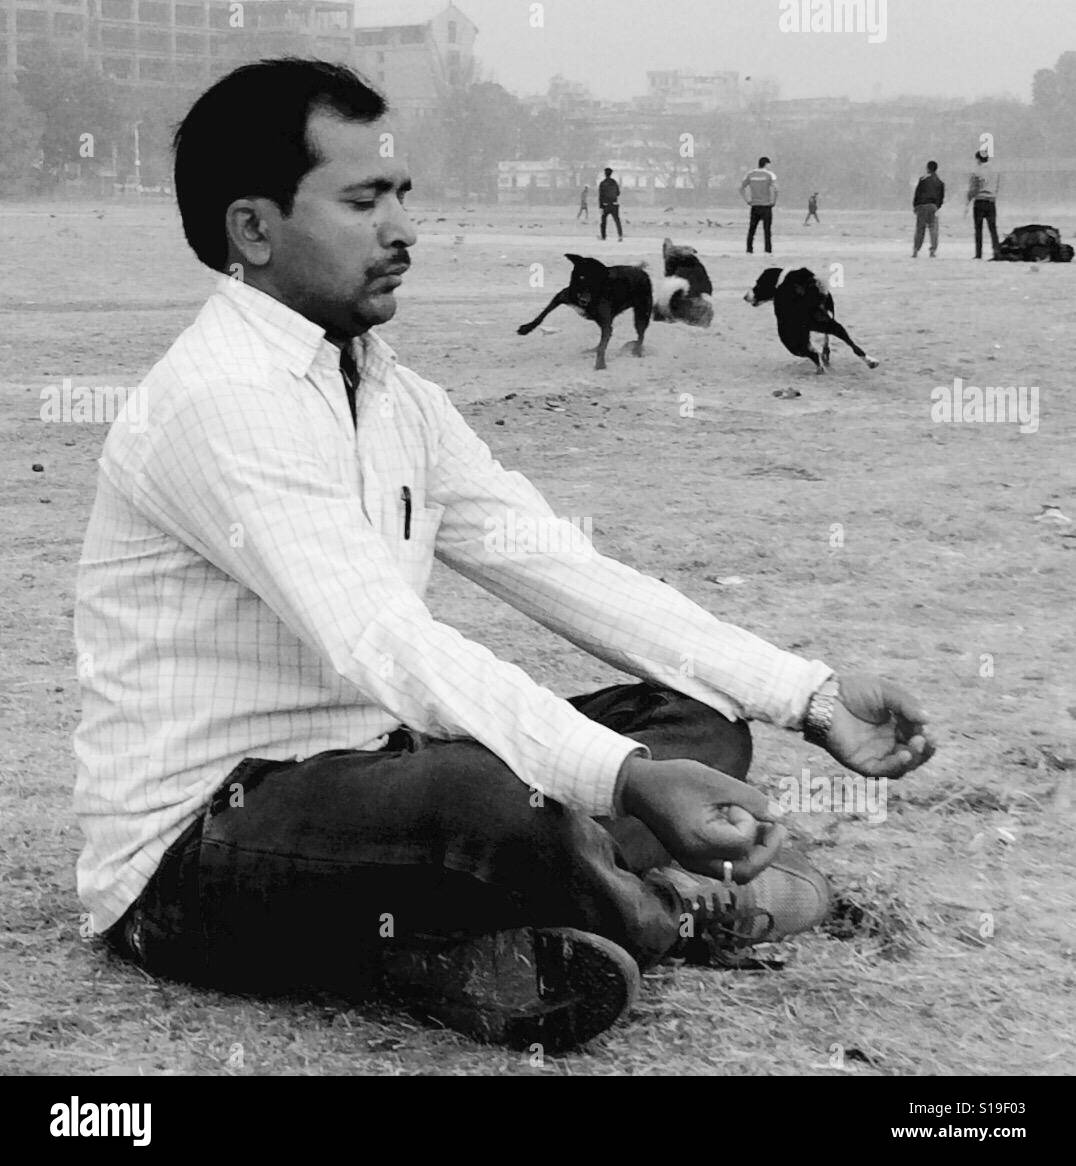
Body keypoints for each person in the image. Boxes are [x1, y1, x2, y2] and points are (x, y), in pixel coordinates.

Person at [74, 60, 935, 1052]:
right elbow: (383, 637)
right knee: (487, 801)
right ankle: (658, 907)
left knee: (693, 723)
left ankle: (494, 931)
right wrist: (617, 779)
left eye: (400, 193)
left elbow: (561, 567)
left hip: (373, 790)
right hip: (199, 851)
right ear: (253, 230)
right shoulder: (219, 401)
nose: (403, 227)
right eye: (363, 200)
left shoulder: (392, 394)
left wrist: (809, 694)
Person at [967, 149, 1001, 260]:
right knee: (993, 228)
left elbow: (975, 187)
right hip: (991, 202)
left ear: (978, 159)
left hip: (980, 201)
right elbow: (997, 185)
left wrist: (969, 197)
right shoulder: (995, 171)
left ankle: (978, 253)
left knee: (978, 229)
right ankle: (996, 252)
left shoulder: (977, 171)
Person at [741, 156, 778, 253]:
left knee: (752, 230)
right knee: (767, 231)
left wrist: (747, 200)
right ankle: (768, 250)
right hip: (766, 206)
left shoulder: (750, 174)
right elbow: (776, 189)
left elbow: (741, 188)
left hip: (755, 206)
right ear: (766, 164)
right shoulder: (770, 174)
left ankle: (749, 249)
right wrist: (773, 201)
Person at [912, 161, 945, 258]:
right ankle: (933, 250)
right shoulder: (940, 182)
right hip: (933, 207)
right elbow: (941, 197)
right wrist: (937, 206)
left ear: (928, 168)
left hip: (922, 206)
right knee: (933, 229)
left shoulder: (923, 179)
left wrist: (915, 206)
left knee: (920, 229)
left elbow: (917, 194)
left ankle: (916, 250)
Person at [598, 167, 623, 241]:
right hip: (614, 204)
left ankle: (603, 236)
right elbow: (618, 193)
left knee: (603, 221)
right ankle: (620, 235)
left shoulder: (602, 183)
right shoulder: (614, 182)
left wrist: (601, 206)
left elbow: (601, 196)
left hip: (605, 205)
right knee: (617, 220)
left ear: (605, 174)